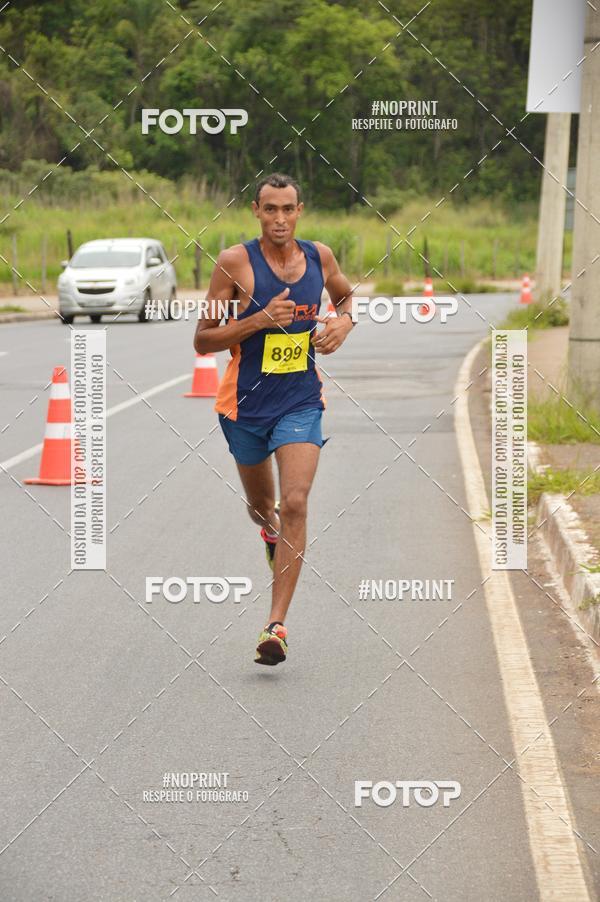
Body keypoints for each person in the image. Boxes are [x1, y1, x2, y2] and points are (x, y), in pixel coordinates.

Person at [194, 173, 354, 665]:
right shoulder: (234, 263)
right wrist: (259, 320)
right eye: (270, 210)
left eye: (288, 209)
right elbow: (204, 338)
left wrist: (343, 323)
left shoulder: (319, 257)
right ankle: (269, 532)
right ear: (256, 211)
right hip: (244, 407)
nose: (280, 219)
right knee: (265, 507)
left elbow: (346, 297)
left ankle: (275, 625)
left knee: (297, 502)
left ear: (299, 210)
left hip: (300, 401)